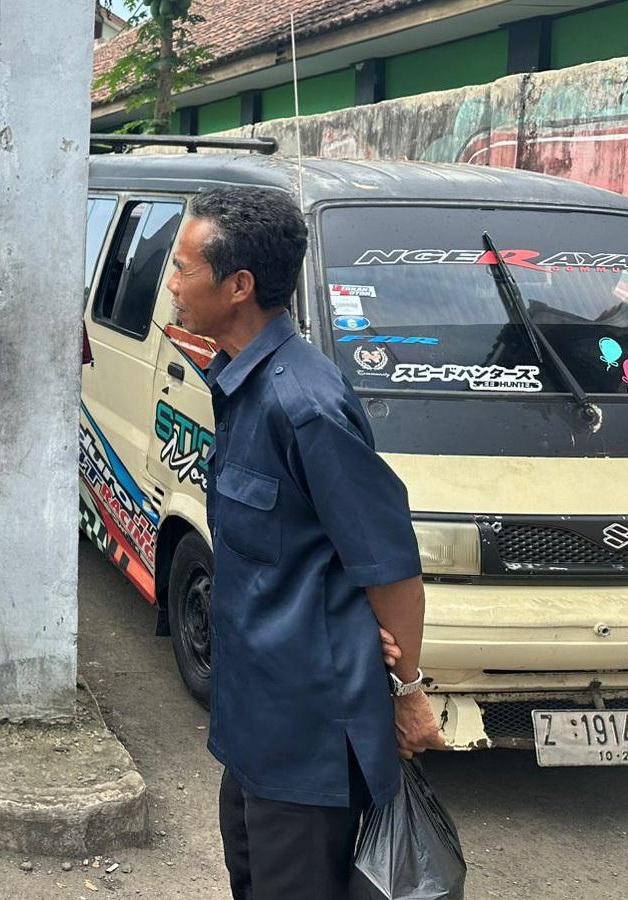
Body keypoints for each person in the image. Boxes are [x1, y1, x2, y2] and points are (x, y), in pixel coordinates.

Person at [164, 186, 447, 900]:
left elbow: (390, 567)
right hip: (253, 722)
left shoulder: (305, 404)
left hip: (310, 738)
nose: (170, 281)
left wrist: (408, 691)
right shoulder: (241, 383)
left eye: (181, 266)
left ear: (238, 287)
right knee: (250, 878)